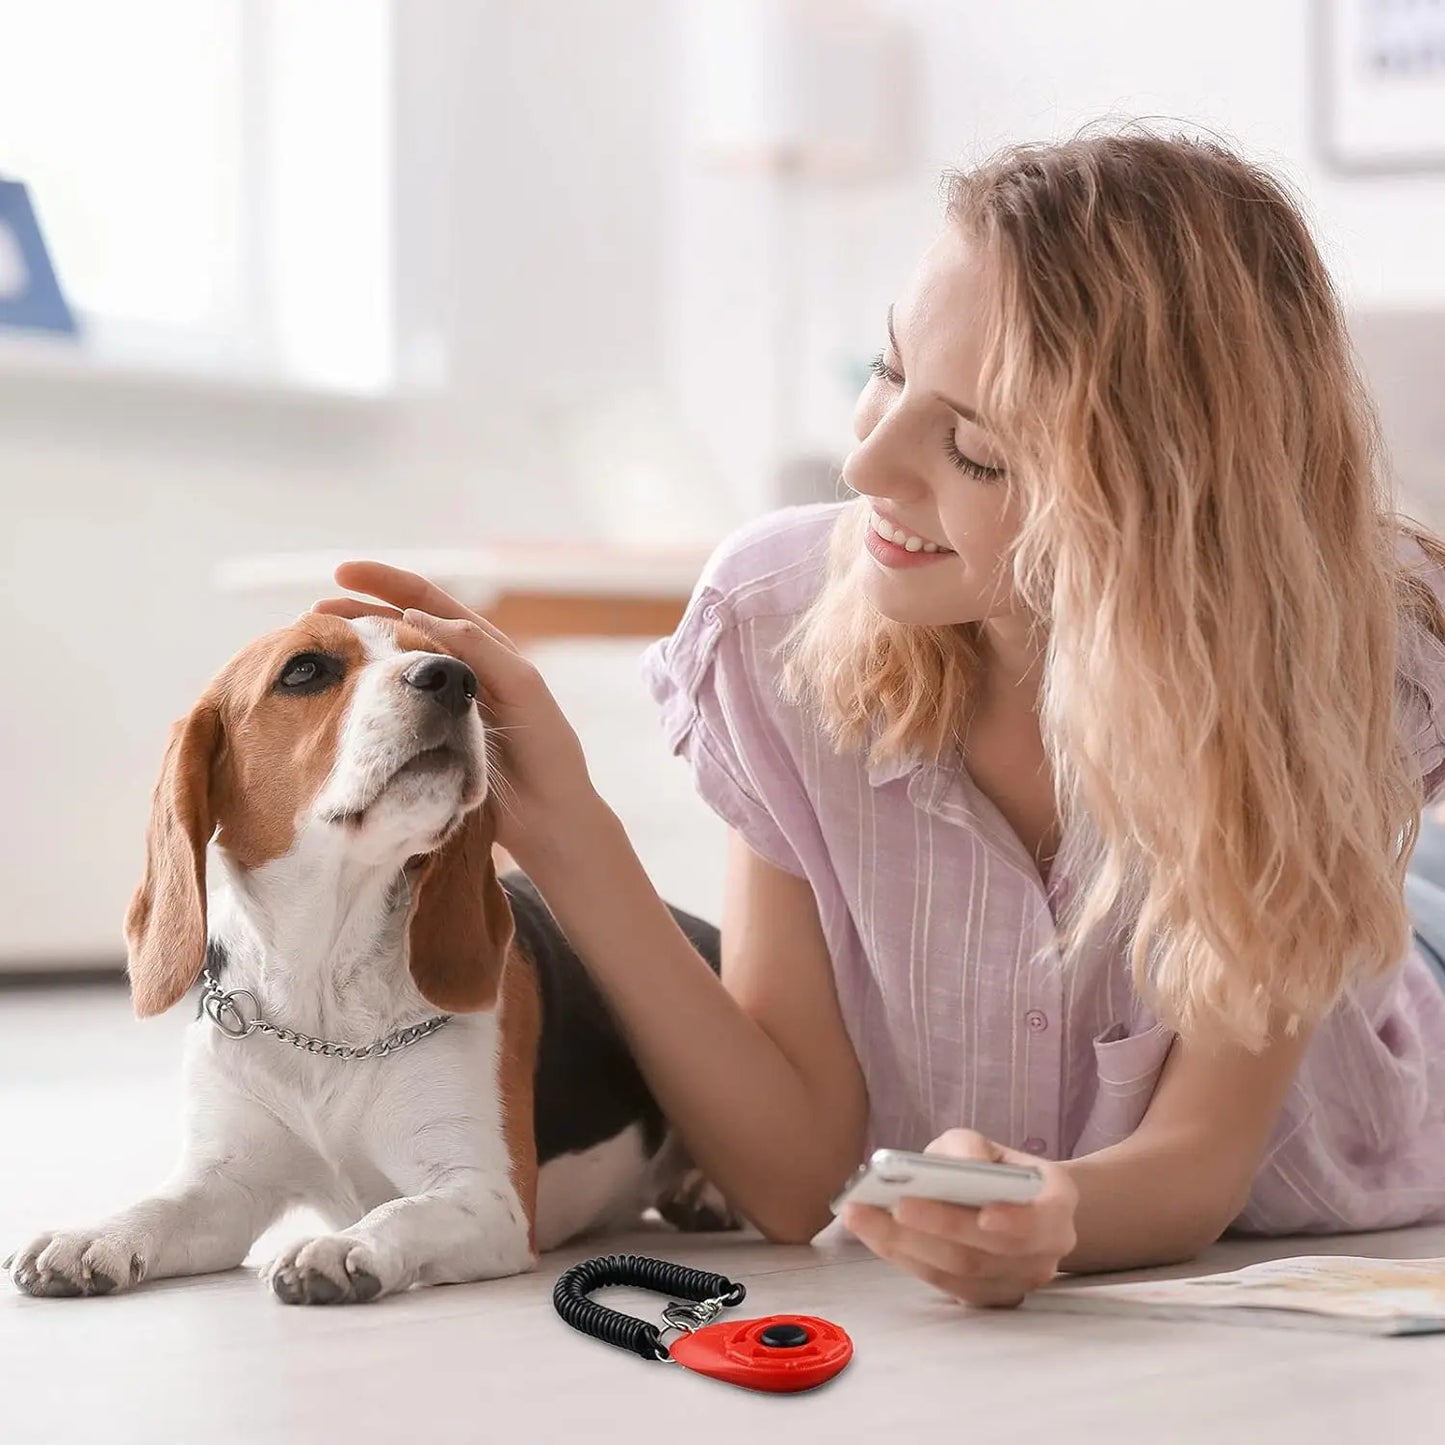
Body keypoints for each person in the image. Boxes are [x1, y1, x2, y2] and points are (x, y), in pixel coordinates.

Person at [316, 128, 1445, 1310]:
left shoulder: (1335, 659)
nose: (866, 465)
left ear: (1154, 505)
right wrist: (564, 830)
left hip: (1385, 988)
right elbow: (794, 1178)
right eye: (887, 368)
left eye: (972, 450)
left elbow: (1200, 1160)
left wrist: (1060, 1217)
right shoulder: (778, 619)